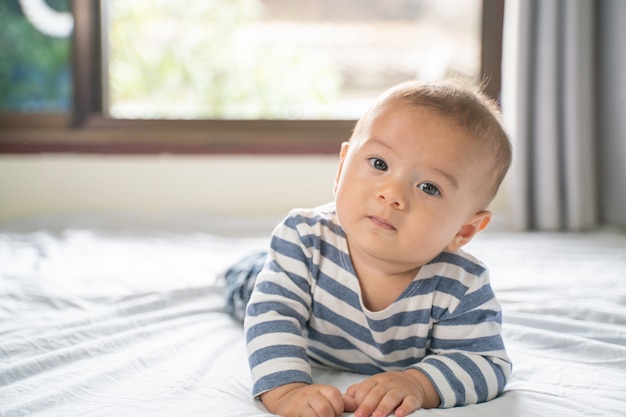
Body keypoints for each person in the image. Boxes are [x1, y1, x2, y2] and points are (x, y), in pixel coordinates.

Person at [223, 79, 513, 417]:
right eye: (379, 164)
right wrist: (287, 390)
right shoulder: (303, 239)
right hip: (266, 287)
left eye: (429, 187)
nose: (391, 194)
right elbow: (272, 316)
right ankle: (247, 267)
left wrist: (419, 383)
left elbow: (485, 363)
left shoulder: (461, 285)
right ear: (342, 167)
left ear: (464, 230)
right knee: (250, 282)